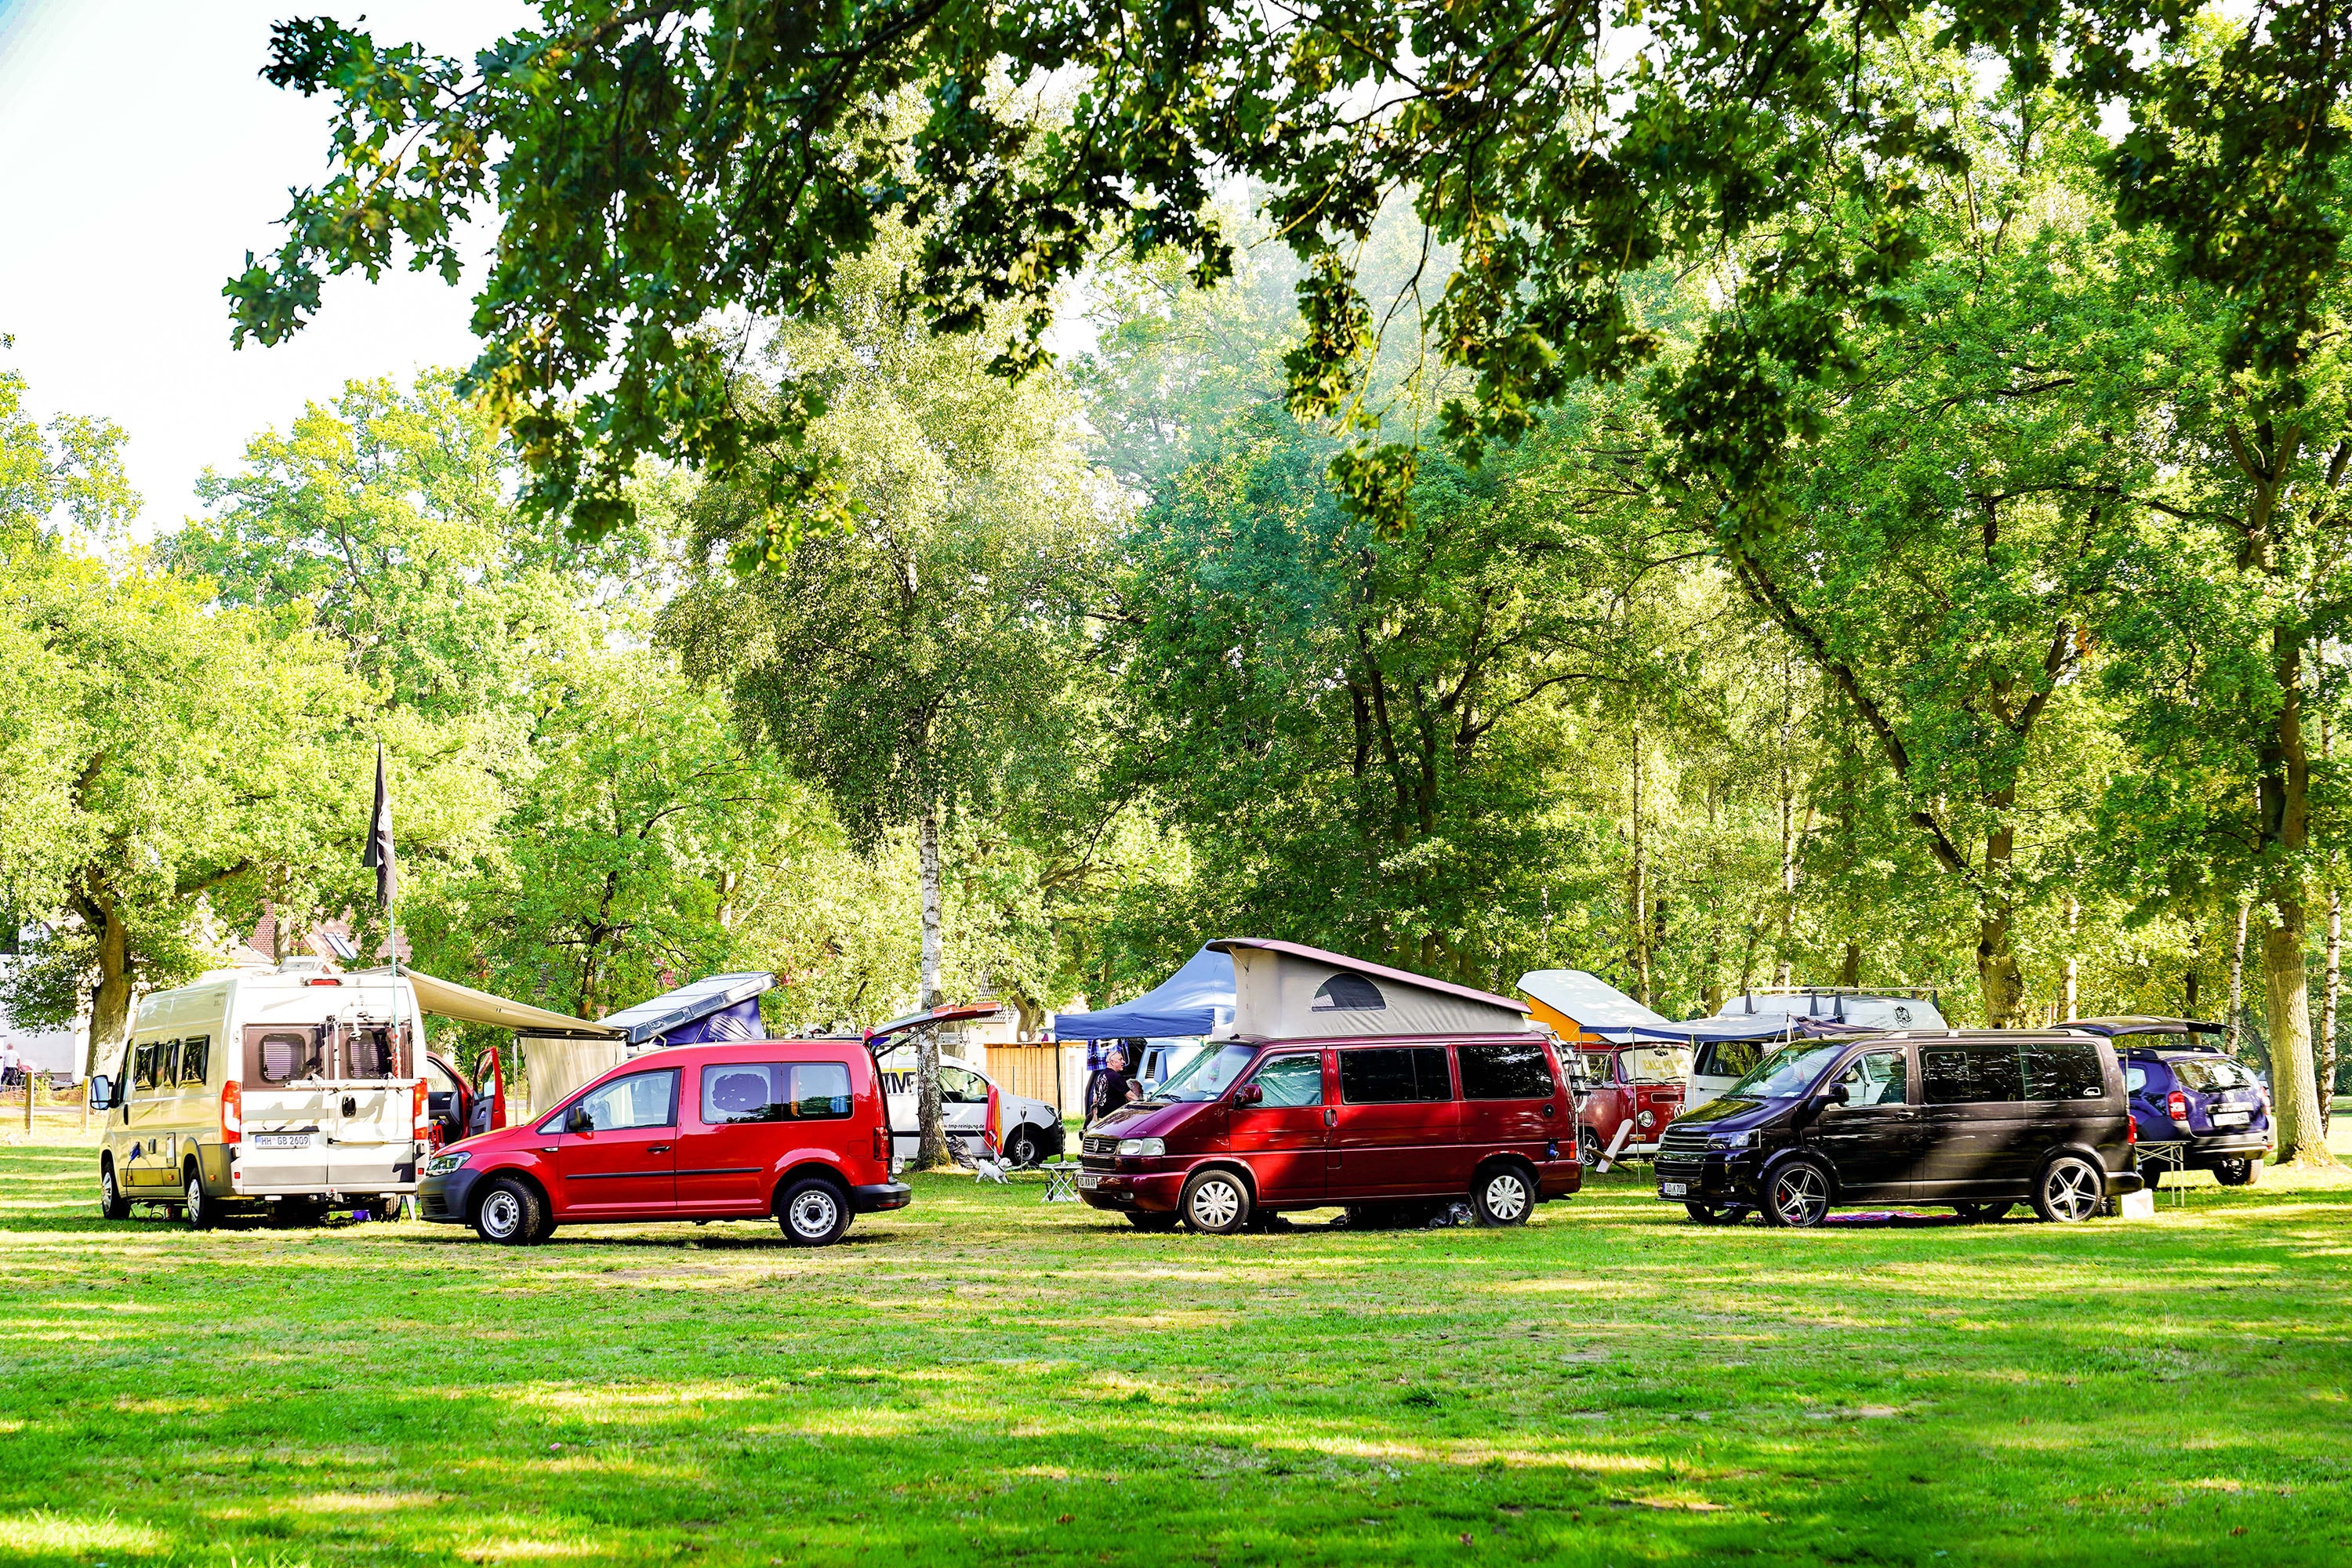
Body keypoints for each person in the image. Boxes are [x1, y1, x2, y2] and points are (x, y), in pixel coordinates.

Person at [1084, 1044, 1137, 1126]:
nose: (1123, 1062)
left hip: (1102, 1119)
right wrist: (1143, 1107)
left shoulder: (1100, 1076)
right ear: (1112, 1062)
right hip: (1113, 1121)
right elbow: (1131, 1096)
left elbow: (1095, 1099)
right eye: (1120, 1059)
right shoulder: (1115, 1077)